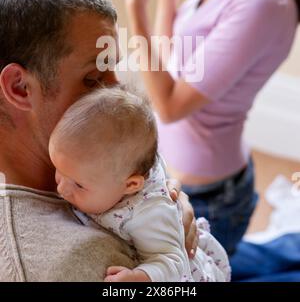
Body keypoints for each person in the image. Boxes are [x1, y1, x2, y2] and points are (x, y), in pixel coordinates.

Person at [125, 0, 300, 255]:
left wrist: (136, 6)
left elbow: (168, 104)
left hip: (210, 197)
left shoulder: (263, 2)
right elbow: (174, 63)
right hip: (173, 172)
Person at [0, 0, 196, 282]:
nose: (117, 91)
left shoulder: (89, 148)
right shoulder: (86, 262)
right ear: (20, 87)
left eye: (113, 69)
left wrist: (164, 205)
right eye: (92, 79)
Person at [49, 86, 231, 282]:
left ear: (131, 185)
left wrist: (140, 276)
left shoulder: (148, 214)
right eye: (59, 170)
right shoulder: (114, 169)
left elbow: (174, 262)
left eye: (78, 185)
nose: (61, 189)